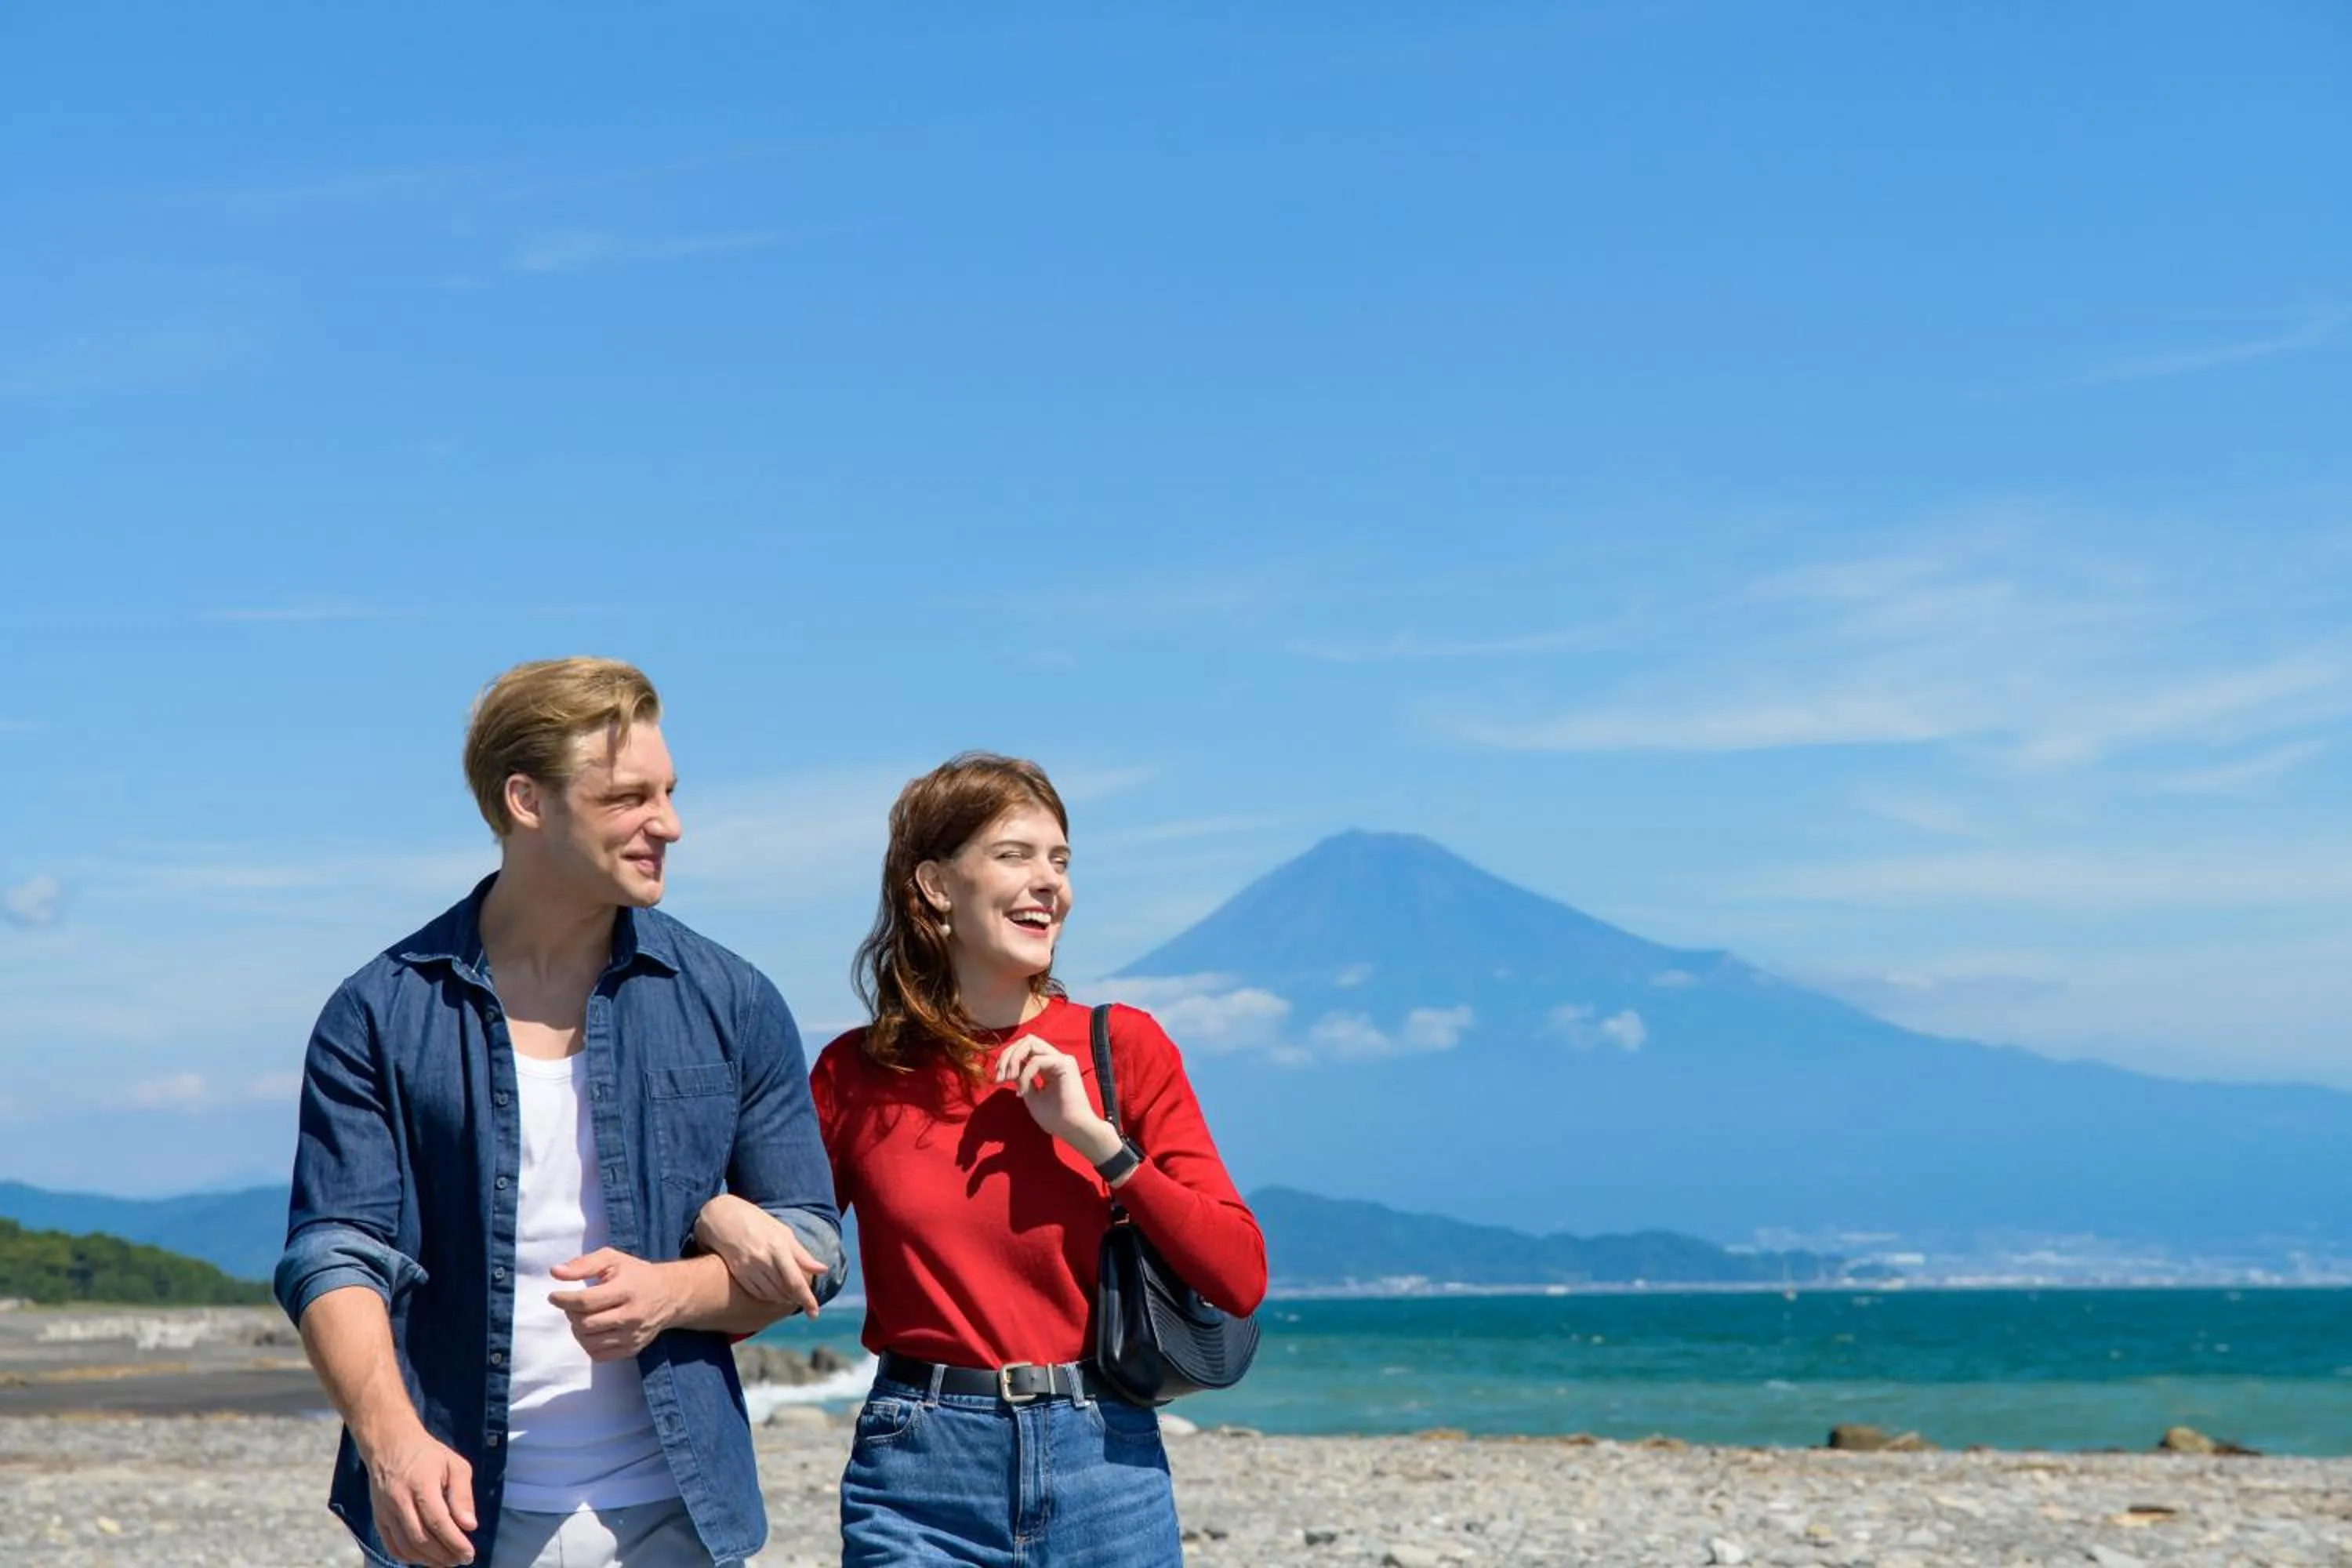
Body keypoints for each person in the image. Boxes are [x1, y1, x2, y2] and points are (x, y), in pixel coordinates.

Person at [273, 658, 844, 1568]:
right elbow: (333, 1251)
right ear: (527, 801)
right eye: (629, 796)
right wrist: (391, 1441)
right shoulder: (378, 1010)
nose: (671, 822)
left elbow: (812, 1243)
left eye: (669, 791)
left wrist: (673, 1289)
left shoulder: (733, 999)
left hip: (678, 1513)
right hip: (451, 1516)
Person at [695, 753, 1266, 1566]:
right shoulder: (855, 1074)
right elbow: (782, 1265)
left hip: (1109, 1463)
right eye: (1015, 854)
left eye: (1060, 860)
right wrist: (710, 1211)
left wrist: (1099, 1142)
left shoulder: (1124, 1046)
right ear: (934, 883)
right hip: (917, 1468)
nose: (1049, 883)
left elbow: (1239, 1274)